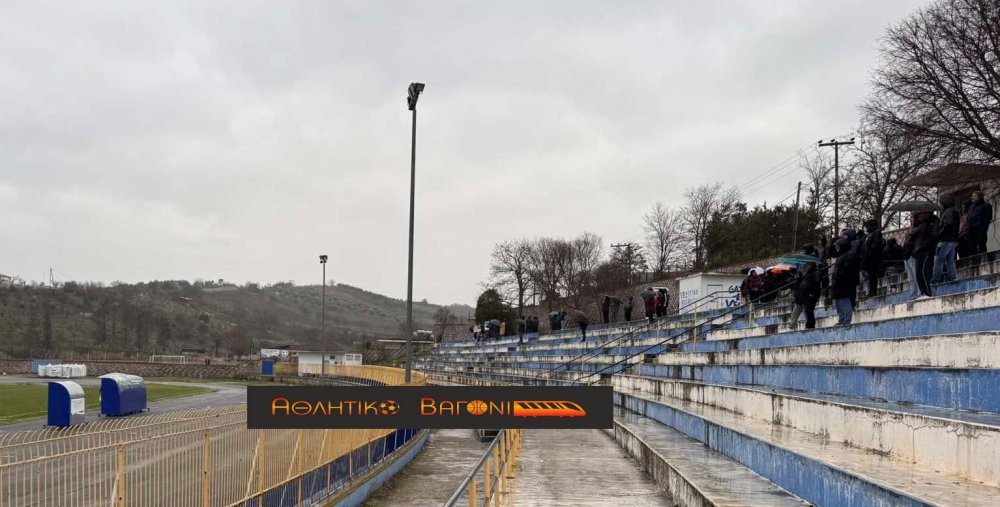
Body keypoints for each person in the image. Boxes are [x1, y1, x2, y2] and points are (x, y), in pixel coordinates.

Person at [903, 211, 937, 299]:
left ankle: (926, 292)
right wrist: (911, 234)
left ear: (926, 213)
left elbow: (933, 236)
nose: (918, 217)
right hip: (918, 252)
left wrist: (923, 247)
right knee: (918, 274)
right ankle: (923, 292)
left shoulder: (932, 222)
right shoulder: (919, 226)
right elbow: (913, 240)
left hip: (925, 251)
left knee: (922, 273)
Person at [830, 237, 860, 325]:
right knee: (839, 305)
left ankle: (846, 321)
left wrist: (839, 275)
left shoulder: (850, 255)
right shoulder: (842, 256)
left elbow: (846, 269)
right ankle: (841, 320)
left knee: (844, 303)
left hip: (844, 284)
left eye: (838, 246)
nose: (837, 248)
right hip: (838, 284)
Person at [932, 195, 961, 285]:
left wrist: (939, 235)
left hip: (946, 239)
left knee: (939, 259)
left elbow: (947, 225)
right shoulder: (955, 211)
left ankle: (936, 279)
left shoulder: (948, 212)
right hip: (953, 239)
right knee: (950, 260)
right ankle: (952, 276)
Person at [789, 262, 821, 329]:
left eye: (807, 265)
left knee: (807, 311)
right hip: (800, 296)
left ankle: (809, 326)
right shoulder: (803, 274)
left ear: (811, 265)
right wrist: (799, 277)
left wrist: (811, 294)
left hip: (807, 296)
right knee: (797, 312)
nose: (805, 266)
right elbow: (798, 285)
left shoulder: (814, 273)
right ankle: (793, 325)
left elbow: (815, 285)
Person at [860, 219, 884, 297]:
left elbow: (875, 246)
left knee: (872, 276)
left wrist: (869, 254)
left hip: (872, 259)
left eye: (867, 226)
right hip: (868, 259)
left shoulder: (876, 233)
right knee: (870, 276)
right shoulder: (869, 235)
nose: (866, 228)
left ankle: (873, 291)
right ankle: (871, 291)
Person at [968, 190, 994, 257]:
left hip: (980, 229)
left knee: (981, 247)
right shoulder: (971, 207)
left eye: (974, 196)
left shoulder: (986, 206)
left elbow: (987, 218)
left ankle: (983, 260)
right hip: (971, 230)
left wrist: (982, 227)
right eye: (972, 196)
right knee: (972, 248)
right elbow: (969, 218)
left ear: (979, 197)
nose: (972, 197)